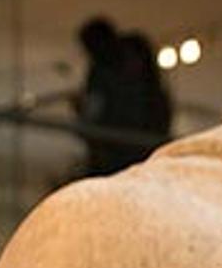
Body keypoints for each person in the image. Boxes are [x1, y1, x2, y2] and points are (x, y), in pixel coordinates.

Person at [73, 17, 174, 178]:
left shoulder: (131, 55)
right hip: (124, 148)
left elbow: (94, 111)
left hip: (133, 146)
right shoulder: (103, 69)